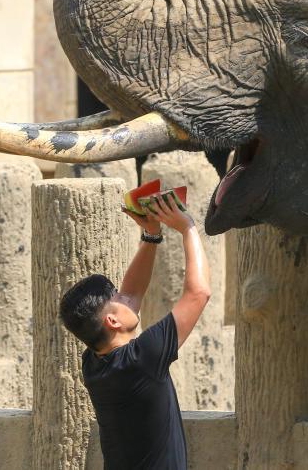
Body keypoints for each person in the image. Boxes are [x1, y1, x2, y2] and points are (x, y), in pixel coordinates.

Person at [59, 192, 211, 469]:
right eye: (117, 297)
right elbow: (198, 293)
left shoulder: (94, 363)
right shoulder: (144, 359)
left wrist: (151, 236)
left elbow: (132, 291)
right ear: (113, 322)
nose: (125, 295)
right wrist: (187, 227)